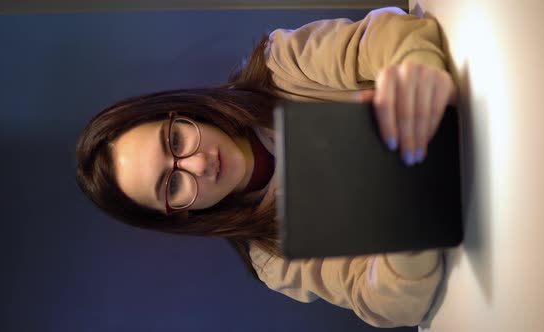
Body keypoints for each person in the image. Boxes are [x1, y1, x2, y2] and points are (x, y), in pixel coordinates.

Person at [76, 7, 456, 328]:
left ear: (183, 113)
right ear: (180, 213)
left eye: (176, 141)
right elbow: (395, 304)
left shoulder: (278, 67)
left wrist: (413, 72)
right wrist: (405, 212)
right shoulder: (274, 259)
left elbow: (381, 34)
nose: (200, 163)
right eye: (173, 184)